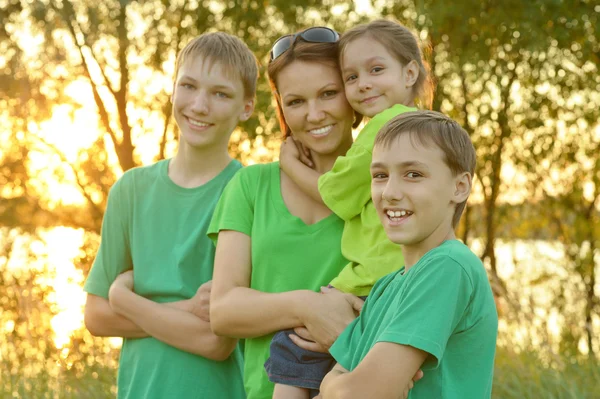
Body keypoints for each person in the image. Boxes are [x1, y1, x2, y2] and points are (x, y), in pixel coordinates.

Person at [82, 32, 257, 399]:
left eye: (220, 93)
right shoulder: (130, 190)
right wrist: (185, 309)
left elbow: (215, 340)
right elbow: (96, 316)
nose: (199, 105)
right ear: (173, 89)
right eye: (189, 86)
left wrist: (125, 299)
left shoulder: (249, 192)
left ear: (247, 107)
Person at [268, 19, 434, 398]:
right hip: (401, 278)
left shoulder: (387, 127)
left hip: (372, 278)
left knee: (294, 346)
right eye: (352, 77)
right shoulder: (427, 130)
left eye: (376, 70)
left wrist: (289, 164)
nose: (363, 84)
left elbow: (339, 194)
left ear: (410, 72)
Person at [207, 28, 367, 399]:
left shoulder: (383, 187)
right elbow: (224, 311)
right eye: (296, 101)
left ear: (352, 92)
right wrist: (308, 306)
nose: (315, 114)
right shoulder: (251, 187)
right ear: (281, 108)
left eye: (329, 93)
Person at [319, 111, 498, 398]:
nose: (389, 192)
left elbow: (357, 393)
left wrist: (337, 387)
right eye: (380, 175)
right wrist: (335, 386)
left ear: (459, 186)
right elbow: (336, 382)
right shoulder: (384, 288)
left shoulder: (448, 266)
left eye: (413, 174)